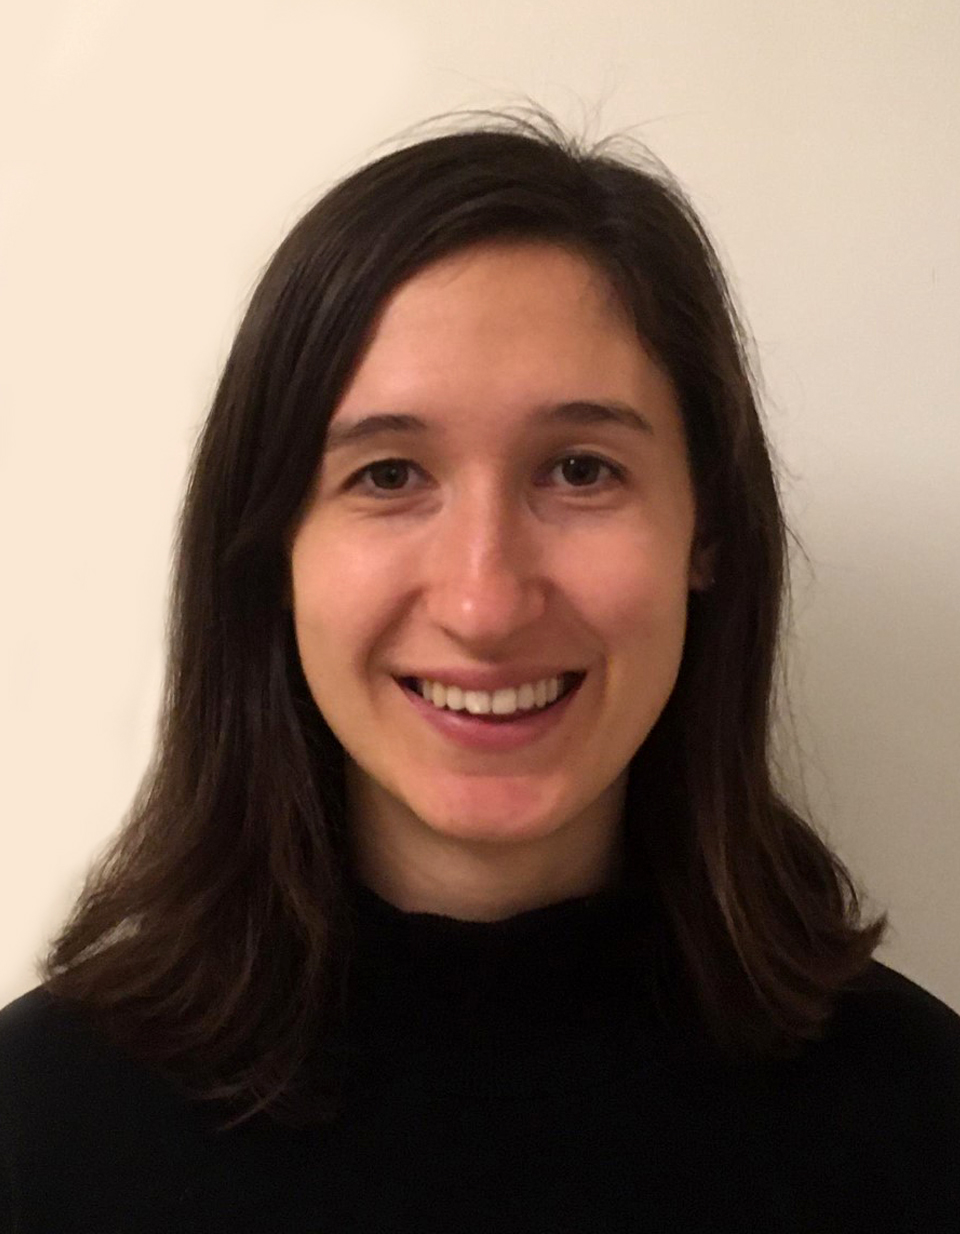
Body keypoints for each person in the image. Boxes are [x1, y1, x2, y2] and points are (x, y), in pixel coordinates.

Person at [1, 110, 958, 1233]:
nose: (484, 603)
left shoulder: (921, 1122)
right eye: (388, 475)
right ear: (271, 552)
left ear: (707, 533)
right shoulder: (36, 1135)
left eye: (580, 470)